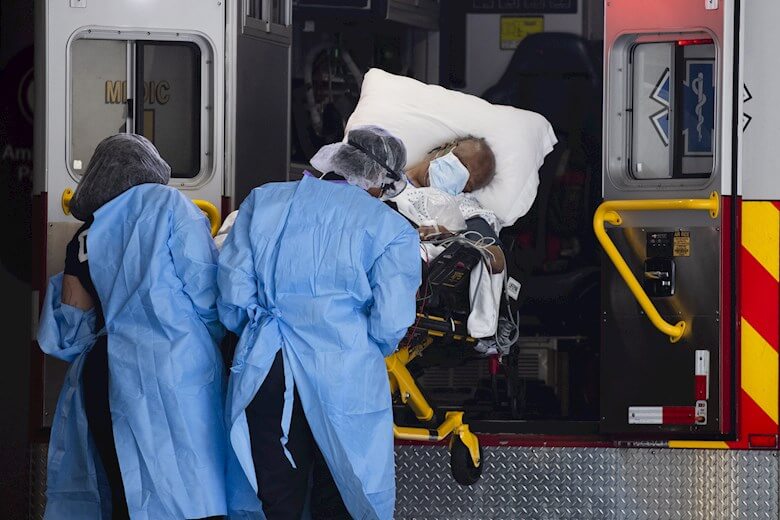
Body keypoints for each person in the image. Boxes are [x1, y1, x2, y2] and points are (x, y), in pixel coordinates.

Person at [218, 125, 421, 520]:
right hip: (344, 379)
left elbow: (232, 295)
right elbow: (390, 322)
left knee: (277, 498)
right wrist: (353, 343)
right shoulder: (391, 229)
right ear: (380, 181)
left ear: (337, 160)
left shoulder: (264, 200)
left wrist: (264, 332)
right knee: (342, 495)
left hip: (267, 369)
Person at [37, 134, 228, 519]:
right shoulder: (172, 205)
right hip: (177, 367)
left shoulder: (83, 236)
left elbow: (72, 327)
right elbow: (207, 292)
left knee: (124, 491)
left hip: (105, 373)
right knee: (192, 491)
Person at [401, 137, 505, 273]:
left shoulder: (463, 208)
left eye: (467, 184)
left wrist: (452, 238)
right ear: (446, 147)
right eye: (461, 163)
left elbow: (496, 261)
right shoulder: (386, 174)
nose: (454, 177)